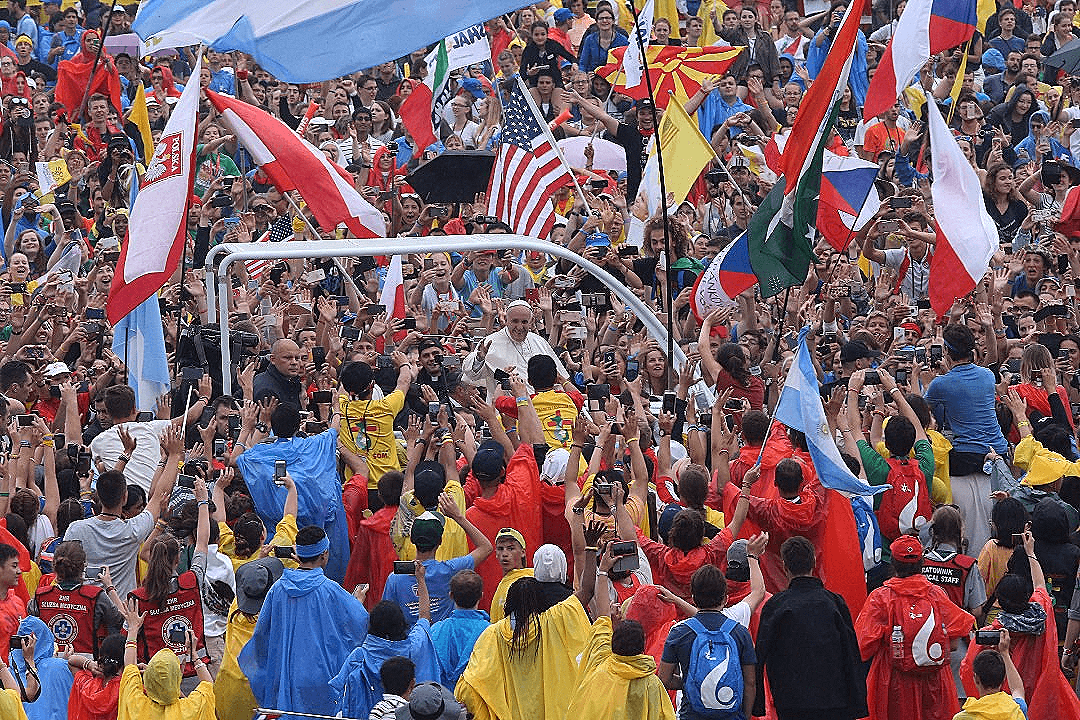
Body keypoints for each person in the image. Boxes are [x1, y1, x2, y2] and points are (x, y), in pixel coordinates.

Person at [456, 536, 599, 720]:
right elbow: (587, 590)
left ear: (507, 604)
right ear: (537, 602)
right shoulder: (552, 621)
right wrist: (591, 549)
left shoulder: (493, 634)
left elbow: (471, 683)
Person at [239, 525, 369, 716]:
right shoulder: (331, 590)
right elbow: (359, 623)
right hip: (323, 677)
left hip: (286, 677)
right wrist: (357, 602)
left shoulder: (277, 589)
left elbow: (261, 636)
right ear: (324, 554)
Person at [855, 535, 974, 720]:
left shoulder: (881, 598)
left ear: (893, 563)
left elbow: (862, 646)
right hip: (934, 683)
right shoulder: (937, 595)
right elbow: (954, 644)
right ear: (921, 563)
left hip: (893, 683)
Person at [754, 536, 867, 720]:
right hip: (834, 700)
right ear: (814, 562)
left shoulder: (776, 606)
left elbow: (759, 656)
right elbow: (851, 654)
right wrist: (858, 703)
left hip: (790, 701)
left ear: (785, 566)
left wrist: (757, 706)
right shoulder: (835, 603)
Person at [65, 424, 180, 598]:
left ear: (98, 497)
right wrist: (175, 456)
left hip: (87, 613)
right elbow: (159, 496)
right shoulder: (133, 530)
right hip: (123, 616)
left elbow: (109, 485)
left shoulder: (76, 529)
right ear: (125, 498)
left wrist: (126, 455)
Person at [564, 544, 676, 720]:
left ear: (613, 642)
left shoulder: (599, 659)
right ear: (642, 648)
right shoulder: (652, 684)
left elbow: (602, 614)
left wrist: (602, 570)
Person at [924, 324, 1008, 554]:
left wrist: (923, 380)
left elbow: (921, 412)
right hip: (999, 453)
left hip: (965, 459)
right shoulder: (987, 376)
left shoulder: (940, 384)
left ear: (947, 353)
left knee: (965, 530)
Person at [331, 563, 440, 718]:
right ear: (401, 624)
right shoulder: (413, 647)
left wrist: (356, 603)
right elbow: (424, 616)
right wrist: (420, 580)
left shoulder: (359, 656)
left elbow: (340, 692)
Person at [659, 564, 757, 720]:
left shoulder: (679, 633)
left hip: (691, 714)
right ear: (725, 598)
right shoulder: (741, 633)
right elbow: (750, 683)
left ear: (693, 598)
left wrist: (690, 681)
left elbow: (664, 679)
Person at [381, 494, 492, 625]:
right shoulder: (451, 570)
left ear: (412, 540)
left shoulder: (394, 578)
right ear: (440, 541)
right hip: (441, 642)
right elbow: (486, 547)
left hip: (410, 644)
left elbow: (386, 618)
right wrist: (459, 517)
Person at [116, 595, 215, 720]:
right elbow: (208, 685)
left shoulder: (134, 702)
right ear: (178, 678)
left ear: (148, 679)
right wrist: (193, 655)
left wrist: (133, 629)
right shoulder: (192, 708)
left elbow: (129, 666)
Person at [213, 557, 284, 720]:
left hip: (226, 688)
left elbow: (252, 585)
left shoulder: (235, 607)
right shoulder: (276, 621)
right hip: (255, 696)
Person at [28, 540, 124, 655]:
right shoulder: (96, 596)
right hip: (86, 667)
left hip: (47, 665)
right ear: (83, 567)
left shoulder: (40, 596)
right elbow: (121, 621)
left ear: (55, 565)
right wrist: (109, 587)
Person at [428, 569, 489, 689]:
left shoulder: (436, 630)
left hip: (443, 700)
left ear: (451, 595)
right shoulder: (490, 632)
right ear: (481, 596)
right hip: (476, 700)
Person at [953, 630, 1027, 720]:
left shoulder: (963, 718)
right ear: (1004, 679)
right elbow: (1017, 689)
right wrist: (1005, 653)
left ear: (976, 679)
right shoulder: (1017, 709)